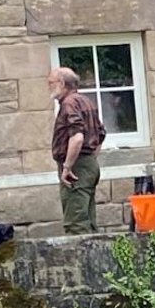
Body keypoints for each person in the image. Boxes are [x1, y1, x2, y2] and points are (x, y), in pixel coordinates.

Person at [50, 64, 107, 231]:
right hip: (88, 164)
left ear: (61, 83)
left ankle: (81, 257)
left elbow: (77, 137)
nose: (49, 86)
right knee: (88, 219)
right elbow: (101, 133)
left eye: (51, 82)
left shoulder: (69, 103)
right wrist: (90, 158)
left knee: (76, 223)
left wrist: (68, 166)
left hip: (76, 166)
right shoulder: (86, 101)